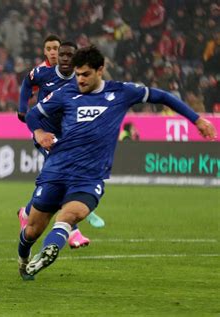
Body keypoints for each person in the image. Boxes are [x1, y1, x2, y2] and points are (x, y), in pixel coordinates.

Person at [18, 45, 217, 280]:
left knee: (71, 215)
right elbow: (33, 115)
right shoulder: (66, 93)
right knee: (32, 230)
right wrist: (39, 133)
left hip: (89, 176)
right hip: (57, 169)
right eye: (78, 74)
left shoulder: (121, 93)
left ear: (100, 70)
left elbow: (162, 96)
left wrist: (197, 119)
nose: (80, 79)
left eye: (85, 74)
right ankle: (24, 259)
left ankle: (49, 251)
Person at [17, 41, 105, 259]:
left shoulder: (81, 81)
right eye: (59, 53)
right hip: (46, 136)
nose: (62, 57)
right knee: (62, 173)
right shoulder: (42, 72)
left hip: (66, 137)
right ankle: (72, 231)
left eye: (67, 54)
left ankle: (27, 212)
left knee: (55, 181)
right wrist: (22, 109)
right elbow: (26, 84)